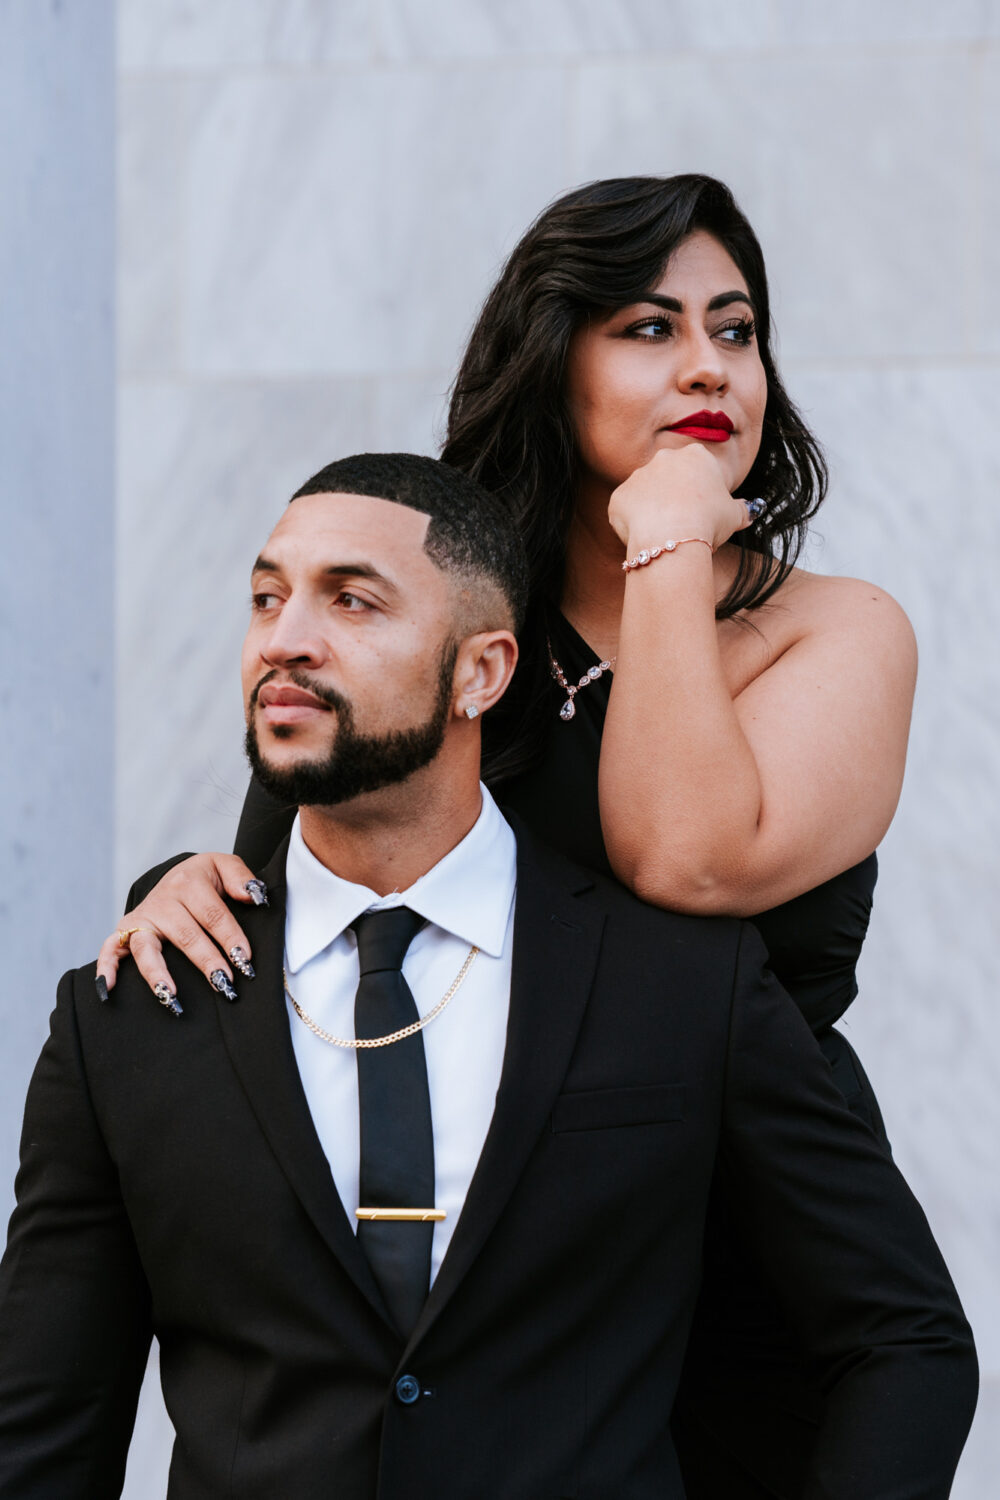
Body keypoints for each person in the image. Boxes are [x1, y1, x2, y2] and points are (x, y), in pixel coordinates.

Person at [95, 177, 934, 1493]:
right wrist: (177, 884)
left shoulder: (840, 630)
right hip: (497, 1284)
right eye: (649, 328)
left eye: (737, 327)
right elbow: (291, 893)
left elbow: (685, 856)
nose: (709, 365)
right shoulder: (442, 631)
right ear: (554, 356)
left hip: (759, 1264)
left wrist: (662, 549)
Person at [0, 455, 977, 1498]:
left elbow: (905, 1341)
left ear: (482, 673)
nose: (284, 639)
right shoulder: (131, 1011)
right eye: (266, 598)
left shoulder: (686, 988)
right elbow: (43, 1434)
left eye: (352, 601)